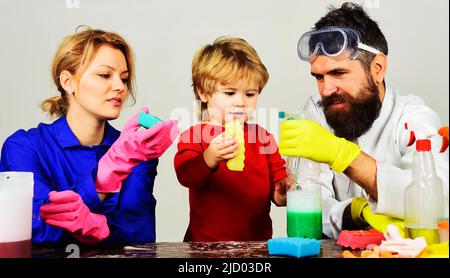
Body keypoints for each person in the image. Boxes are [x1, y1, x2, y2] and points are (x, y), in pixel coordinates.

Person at [279, 2, 449, 239]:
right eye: (319, 77)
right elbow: (309, 206)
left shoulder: (413, 117)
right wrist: (354, 212)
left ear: (377, 68)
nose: (326, 89)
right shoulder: (316, 114)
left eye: (338, 73)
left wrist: (343, 156)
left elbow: (438, 201)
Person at [0, 27, 178, 245]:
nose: (119, 86)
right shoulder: (24, 147)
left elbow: (140, 234)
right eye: (104, 75)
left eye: (124, 78)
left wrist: (97, 226)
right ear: (68, 82)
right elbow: (33, 228)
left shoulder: (135, 150)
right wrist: (106, 175)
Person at [174, 37, 287, 242]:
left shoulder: (263, 138)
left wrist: (285, 190)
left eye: (250, 94)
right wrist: (209, 158)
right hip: (205, 249)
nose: (241, 102)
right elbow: (186, 175)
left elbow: (278, 195)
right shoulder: (194, 136)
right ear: (203, 92)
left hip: (257, 248)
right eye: (230, 93)